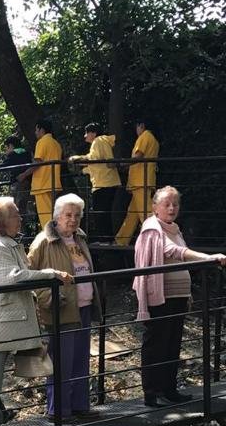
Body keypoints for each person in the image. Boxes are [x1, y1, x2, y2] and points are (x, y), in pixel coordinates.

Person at [0, 198, 72, 426]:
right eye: (14, 215)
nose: (20, 218)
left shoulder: (7, 244)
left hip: (3, 323)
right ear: (0, 221)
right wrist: (51, 274)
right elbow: (11, 278)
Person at [133, 186, 226, 407]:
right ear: (155, 207)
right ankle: (152, 392)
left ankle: (169, 389)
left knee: (172, 344)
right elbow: (174, 252)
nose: (172, 208)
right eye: (166, 204)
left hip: (178, 296)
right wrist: (208, 258)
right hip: (160, 297)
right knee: (156, 344)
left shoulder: (174, 229)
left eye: (175, 204)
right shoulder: (152, 229)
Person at [28, 194, 102, 422]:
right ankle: (59, 411)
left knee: (80, 359)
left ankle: (80, 405)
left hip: (84, 307)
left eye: (77, 215)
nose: (73, 219)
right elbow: (29, 274)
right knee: (61, 362)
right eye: (68, 215)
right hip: (60, 309)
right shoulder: (44, 241)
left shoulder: (80, 238)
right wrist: (47, 296)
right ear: (57, 216)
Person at [69, 124, 122, 241]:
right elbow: (97, 162)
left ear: (93, 133)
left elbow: (93, 159)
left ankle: (105, 240)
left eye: (86, 132)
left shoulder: (98, 141)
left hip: (103, 183)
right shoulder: (102, 141)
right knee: (104, 213)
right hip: (107, 182)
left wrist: (77, 159)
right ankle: (107, 240)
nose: (85, 136)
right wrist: (84, 169)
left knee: (101, 214)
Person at [116, 119, 160, 246]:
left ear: (141, 125)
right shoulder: (154, 140)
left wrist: (123, 163)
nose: (136, 130)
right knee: (132, 215)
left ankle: (156, 240)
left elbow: (138, 155)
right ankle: (121, 241)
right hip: (143, 180)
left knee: (146, 213)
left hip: (140, 181)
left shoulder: (145, 136)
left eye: (137, 127)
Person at [17, 119, 63, 230]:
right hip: (54, 183)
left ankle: (51, 237)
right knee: (54, 215)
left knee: (46, 217)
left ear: (41, 129)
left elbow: (38, 162)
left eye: (36, 130)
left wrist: (24, 174)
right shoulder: (56, 144)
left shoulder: (42, 142)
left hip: (42, 184)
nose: (35, 132)